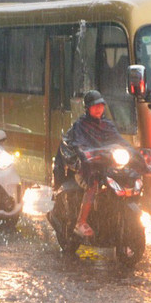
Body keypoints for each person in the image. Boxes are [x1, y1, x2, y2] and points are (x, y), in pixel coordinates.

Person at [62, 90, 121, 240]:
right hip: (85, 169)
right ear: (87, 108)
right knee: (93, 184)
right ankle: (81, 222)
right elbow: (75, 145)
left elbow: (119, 140)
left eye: (101, 105)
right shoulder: (80, 126)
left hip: (106, 166)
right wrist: (85, 157)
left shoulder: (107, 125)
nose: (98, 109)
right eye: (95, 106)